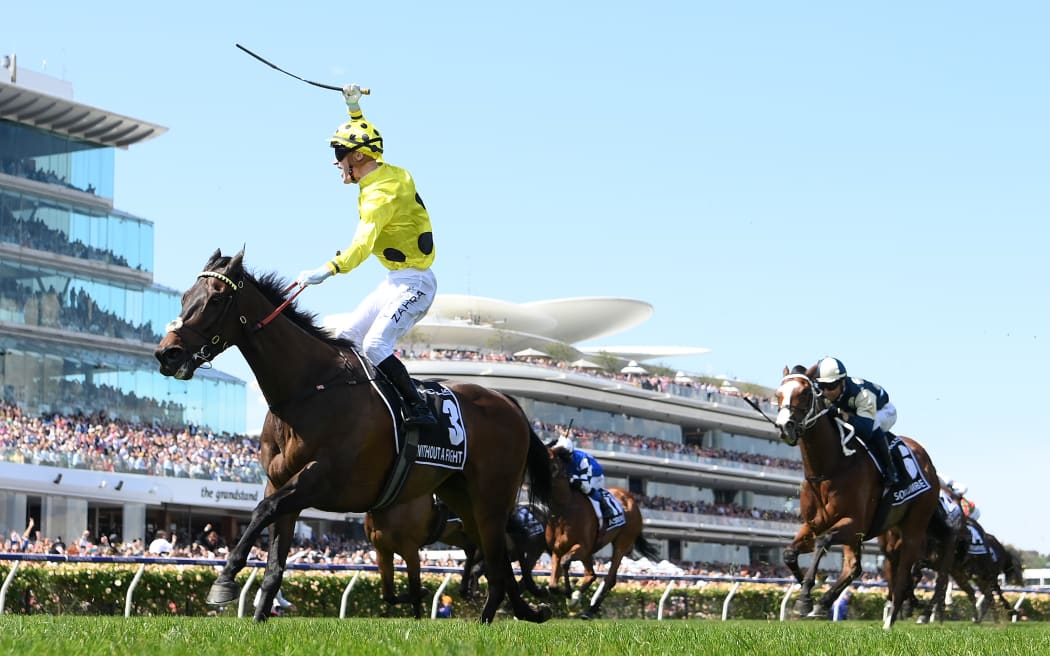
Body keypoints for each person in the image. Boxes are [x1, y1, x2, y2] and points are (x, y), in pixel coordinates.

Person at [296, 83, 437, 427]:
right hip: (395, 280)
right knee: (347, 339)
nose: (336, 162)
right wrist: (354, 109)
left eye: (340, 155)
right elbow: (365, 137)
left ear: (358, 157)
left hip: (416, 284)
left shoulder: (380, 197)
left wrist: (328, 269)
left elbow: (361, 246)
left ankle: (418, 407)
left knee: (374, 344)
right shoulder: (385, 173)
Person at [814, 356, 901, 486]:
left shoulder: (863, 394)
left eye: (831, 386)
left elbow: (865, 431)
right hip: (856, 410)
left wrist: (847, 417)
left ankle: (891, 470)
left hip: (883, 411)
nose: (826, 392)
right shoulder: (824, 392)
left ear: (842, 382)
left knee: (873, 425)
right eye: (822, 386)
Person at [553, 433, 617, 522]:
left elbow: (584, 480)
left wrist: (572, 479)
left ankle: (605, 505)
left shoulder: (582, 460)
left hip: (595, 476)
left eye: (566, 456)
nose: (564, 459)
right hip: (578, 474)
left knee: (583, 486)